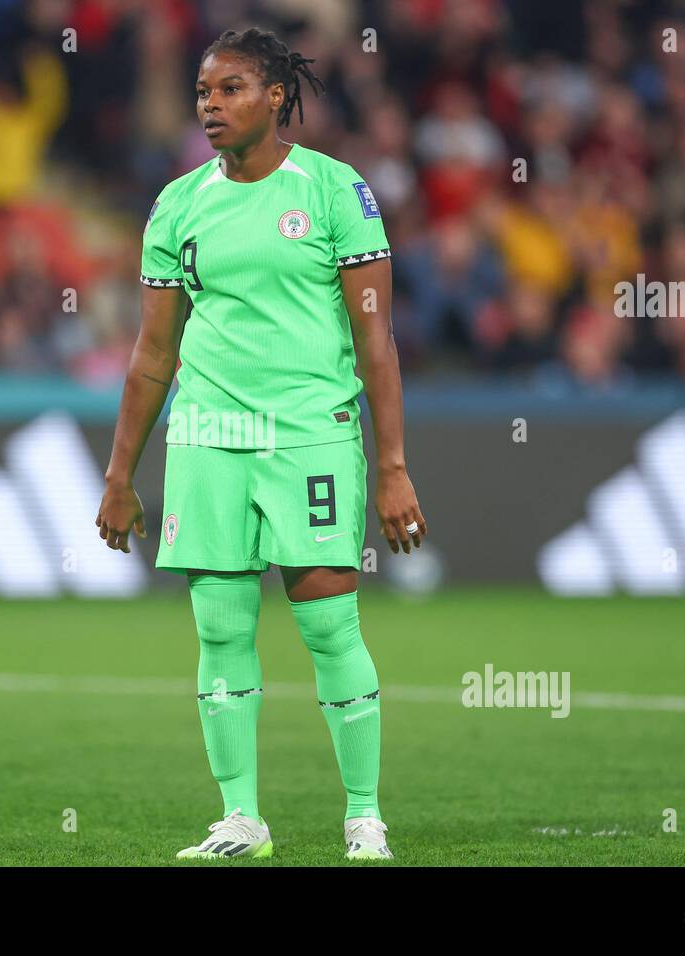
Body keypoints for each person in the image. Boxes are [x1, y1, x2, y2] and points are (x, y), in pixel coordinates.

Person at [96, 27, 425, 861]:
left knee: (329, 627)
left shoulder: (334, 191)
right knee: (220, 632)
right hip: (207, 436)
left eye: (231, 88)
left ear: (277, 95)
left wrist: (391, 466)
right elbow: (152, 355)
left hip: (311, 433)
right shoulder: (177, 204)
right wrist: (119, 474)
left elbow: (377, 343)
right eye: (204, 92)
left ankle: (363, 816)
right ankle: (241, 818)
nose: (211, 105)